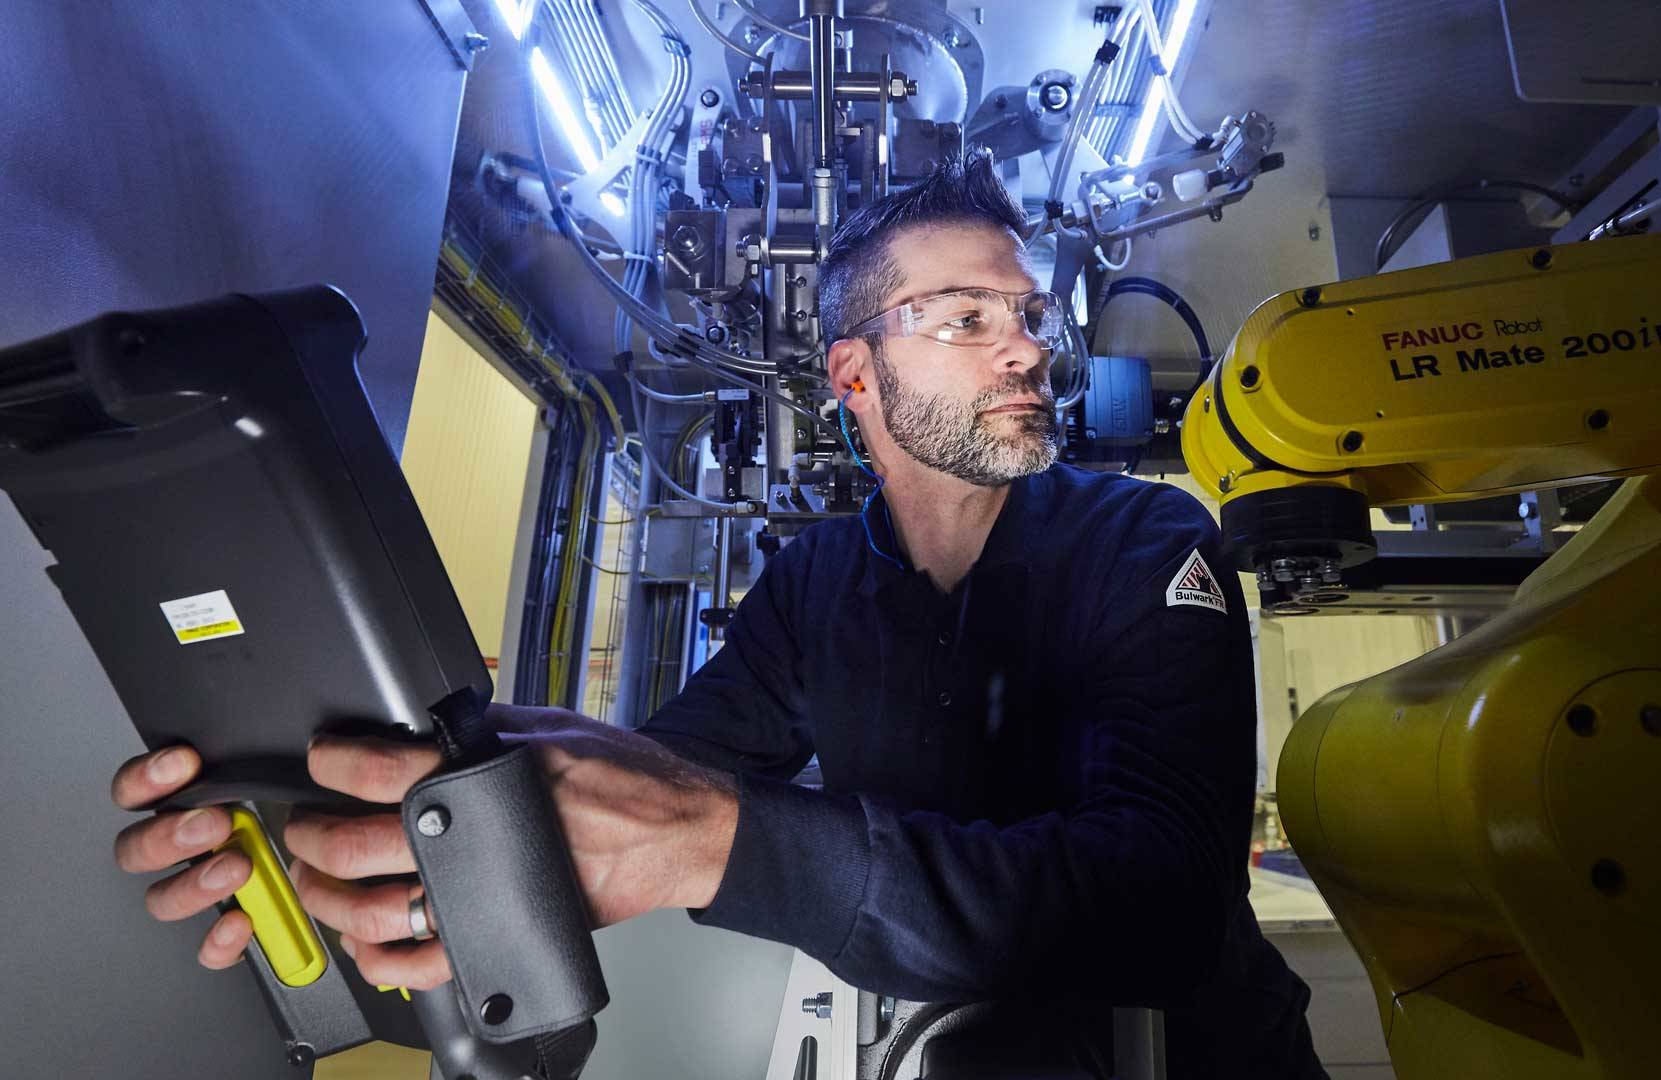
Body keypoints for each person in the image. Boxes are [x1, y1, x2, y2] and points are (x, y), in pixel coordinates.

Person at [109, 153, 1324, 1076]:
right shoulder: (814, 591)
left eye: (1028, 316)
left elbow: (1164, 903)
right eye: (967, 318)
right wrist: (374, 797)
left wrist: (715, 839)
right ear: (854, 375)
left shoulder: (1147, 542)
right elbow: (663, 773)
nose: (1027, 352)